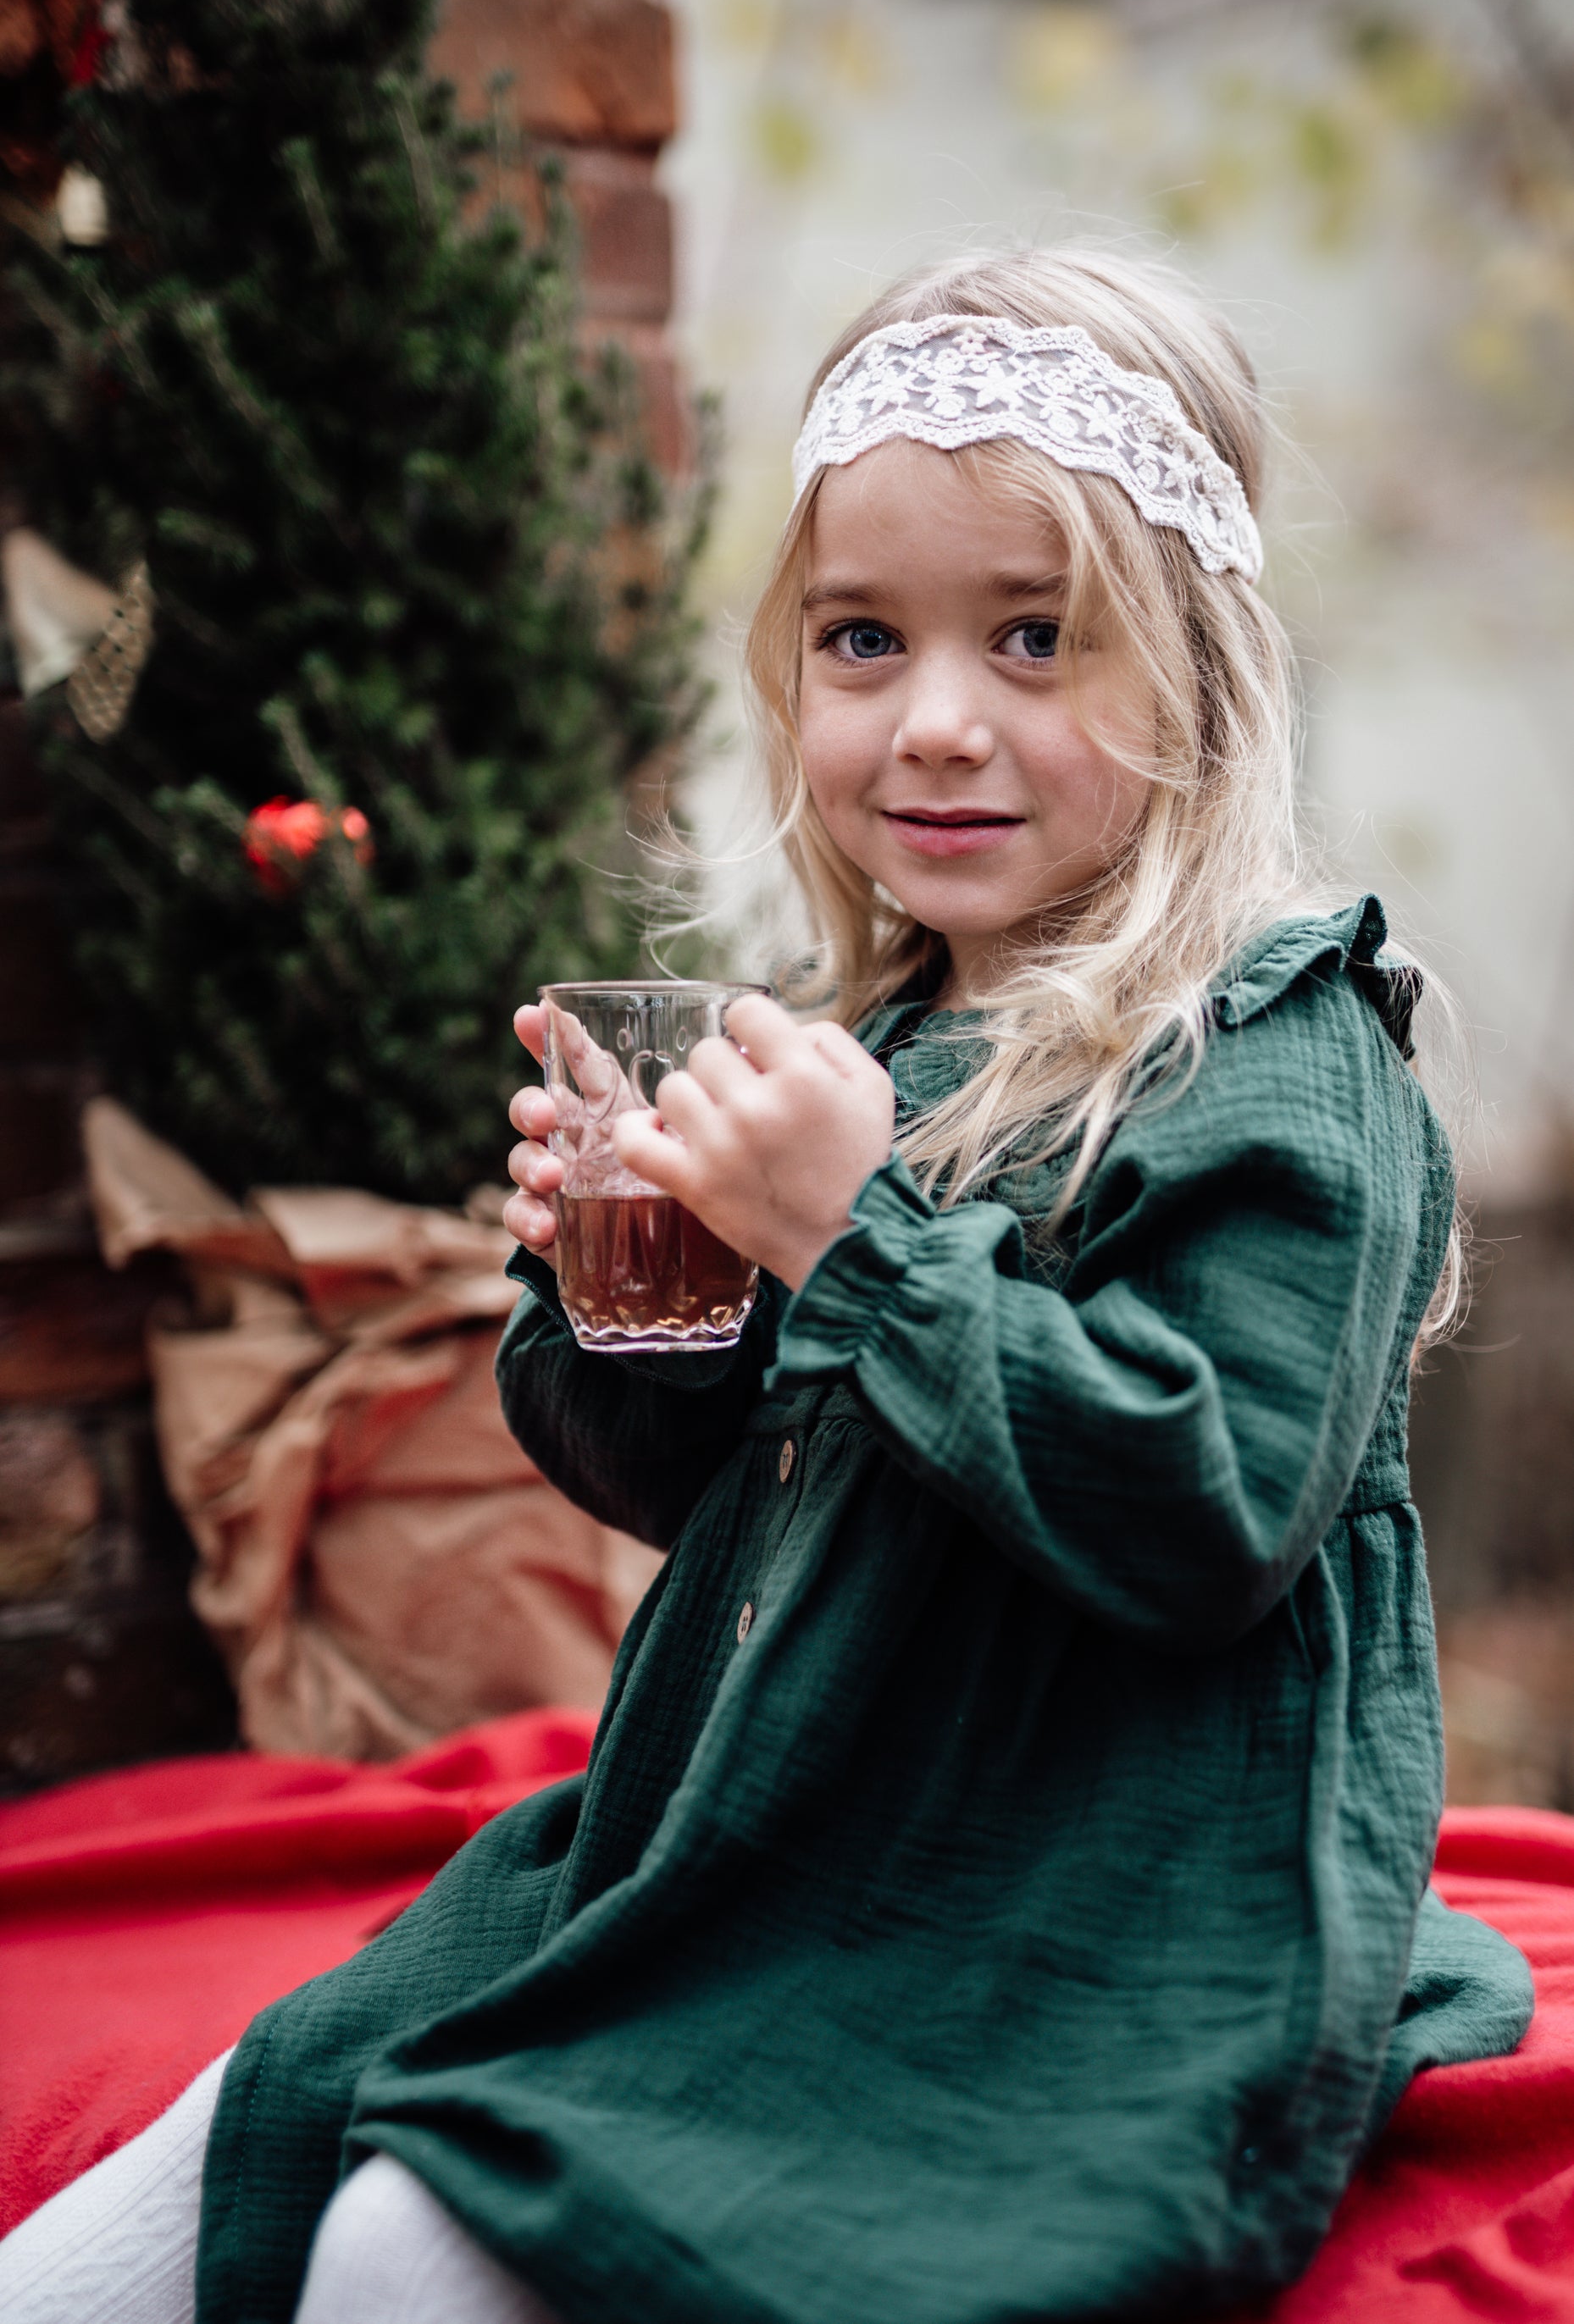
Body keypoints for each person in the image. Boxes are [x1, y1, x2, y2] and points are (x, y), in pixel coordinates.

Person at [1, 245, 1533, 2324]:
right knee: (168, 2196)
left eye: (1030, 637)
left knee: (393, 2249)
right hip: (767, 1813)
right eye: (859, 638)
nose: (931, 722)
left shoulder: (1279, 1058)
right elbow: (696, 1482)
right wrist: (645, 1285)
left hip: (1067, 1897)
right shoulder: (877, 1042)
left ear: (1195, 670)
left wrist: (847, 1237)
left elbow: (1201, 1516)